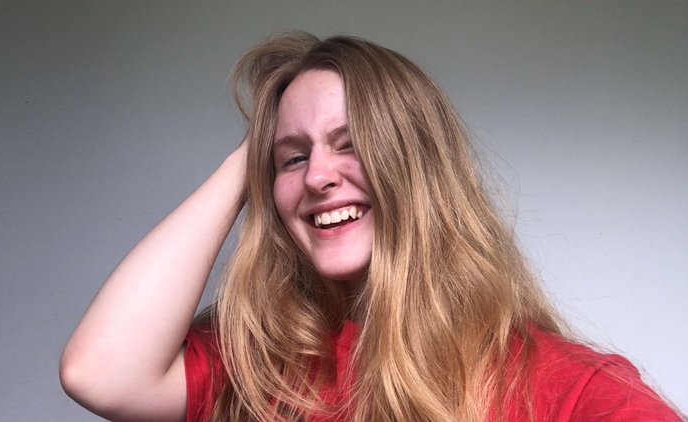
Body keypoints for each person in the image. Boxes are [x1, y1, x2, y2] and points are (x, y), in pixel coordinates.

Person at [60, 32, 684, 422]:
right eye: (292, 158)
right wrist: (246, 159)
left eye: (351, 144)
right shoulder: (258, 364)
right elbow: (100, 373)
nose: (317, 177)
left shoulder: (562, 387)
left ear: (419, 168)